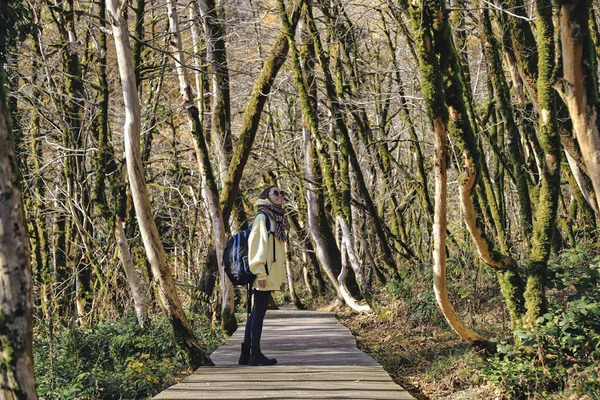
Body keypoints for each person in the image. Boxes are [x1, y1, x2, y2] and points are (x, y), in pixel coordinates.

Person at [239, 185, 290, 366]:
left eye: (281, 193)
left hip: (269, 273)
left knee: (255, 314)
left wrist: (282, 278)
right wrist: (259, 272)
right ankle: (256, 354)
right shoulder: (263, 217)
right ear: (266, 196)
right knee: (258, 313)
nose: (279, 195)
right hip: (263, 273)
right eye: (275, 192)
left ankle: (246, 355)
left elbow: (278, 253)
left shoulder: (276, 219)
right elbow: (257, 246)